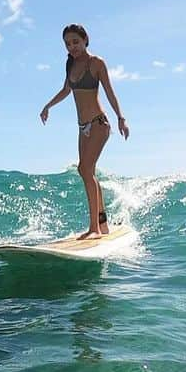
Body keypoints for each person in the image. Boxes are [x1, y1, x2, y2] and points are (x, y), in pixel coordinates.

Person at [39, 23, 130, 239]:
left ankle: (94, 230)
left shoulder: (96, 63)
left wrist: (121, 118)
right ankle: (102, 224)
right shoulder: (70, 64)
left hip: (99, 124)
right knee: (87, 172)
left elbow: (109, 92)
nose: (72, 47)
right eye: (68, 44)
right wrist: (47, 106)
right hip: (83, 128)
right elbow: (66, 90)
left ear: (85, 39)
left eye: (75, 42)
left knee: (85, 169)